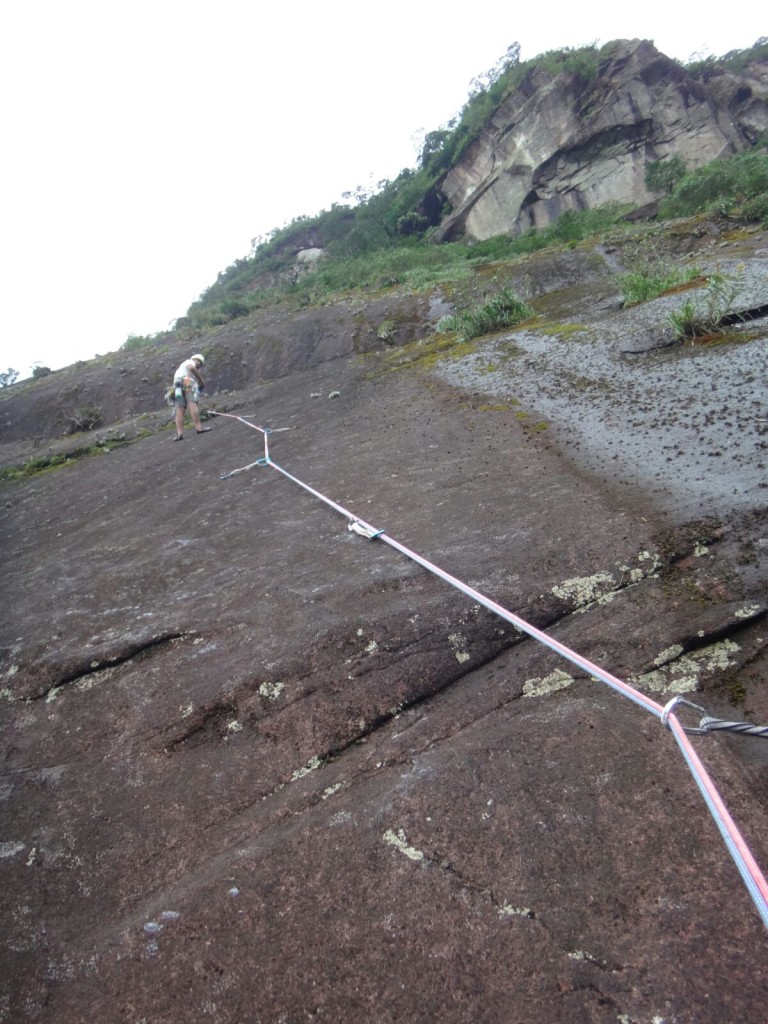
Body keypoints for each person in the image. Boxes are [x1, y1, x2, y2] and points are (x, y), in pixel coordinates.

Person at [172, 354, 211, 440]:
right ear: (197, 360)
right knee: (192, 403)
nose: (199, 366)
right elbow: (191, 368)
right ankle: (198, 427)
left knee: (180, 408)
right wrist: (201, 380)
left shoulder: (181, 369)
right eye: (199, 364)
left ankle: (179, 434)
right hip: (186, 380)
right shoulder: (190, 362)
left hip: (177, 385)